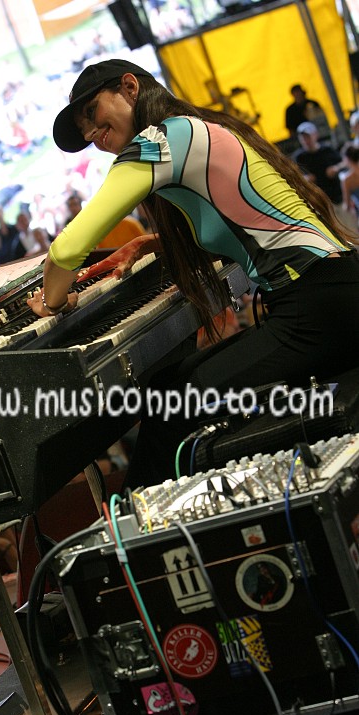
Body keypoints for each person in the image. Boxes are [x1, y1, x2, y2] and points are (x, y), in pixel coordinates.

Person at [26, 58, 359, 488]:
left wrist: (53, 302)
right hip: (326, 294)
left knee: (173, 411)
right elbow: (244, 221)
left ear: (130, 87)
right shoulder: (191, 129)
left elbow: (67, 250)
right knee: (168, 387)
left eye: (92, 113)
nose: (91, 133)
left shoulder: (161, 141)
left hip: (319, 307)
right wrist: (150, 243)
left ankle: (137, 522)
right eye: (84, 129)